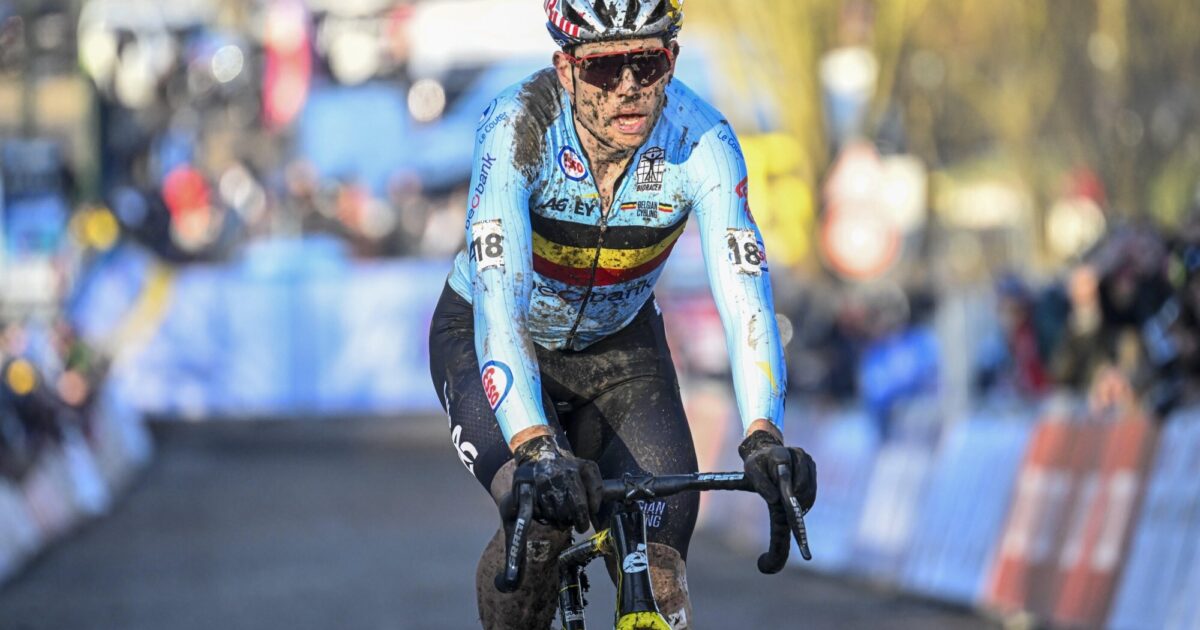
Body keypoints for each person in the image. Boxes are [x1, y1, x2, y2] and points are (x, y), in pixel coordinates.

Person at [426, 2, 817, 627]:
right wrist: (535, 448)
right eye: (606, 69)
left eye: (648, 64)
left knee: (658, 566)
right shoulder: (516, 126)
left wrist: (763, 435)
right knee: (540, 524)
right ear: (566, 68)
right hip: (489, 337)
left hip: (622, 353)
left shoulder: (703, 140)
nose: (629, 87)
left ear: (673, 61)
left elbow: (746, 298)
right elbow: (501, 306)